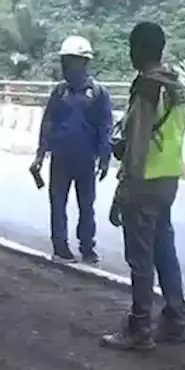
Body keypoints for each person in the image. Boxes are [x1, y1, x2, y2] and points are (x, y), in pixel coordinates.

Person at [99, 22, 185, 350]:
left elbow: (136, 148)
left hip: (145, 182)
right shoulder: (175, 86)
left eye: (131, 46)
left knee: (140, 257)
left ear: (139, 49)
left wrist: (121, 194)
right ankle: (176, 318)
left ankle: (139, 328)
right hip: (169, 181)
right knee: (165, 250)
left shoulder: (147, 88)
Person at [30, 36, 113, 263]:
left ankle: (87, 246)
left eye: (72, 61)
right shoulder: (58, 93)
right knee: (58, 203)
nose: (67, 66)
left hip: (86, 159)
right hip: (60, 158)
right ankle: (60, 247)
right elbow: (47, 123)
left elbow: (106, 126)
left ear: (84, 63)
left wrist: (105, 158)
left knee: (86, 206)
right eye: (65, 61)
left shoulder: (97, 93)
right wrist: (39, 155)